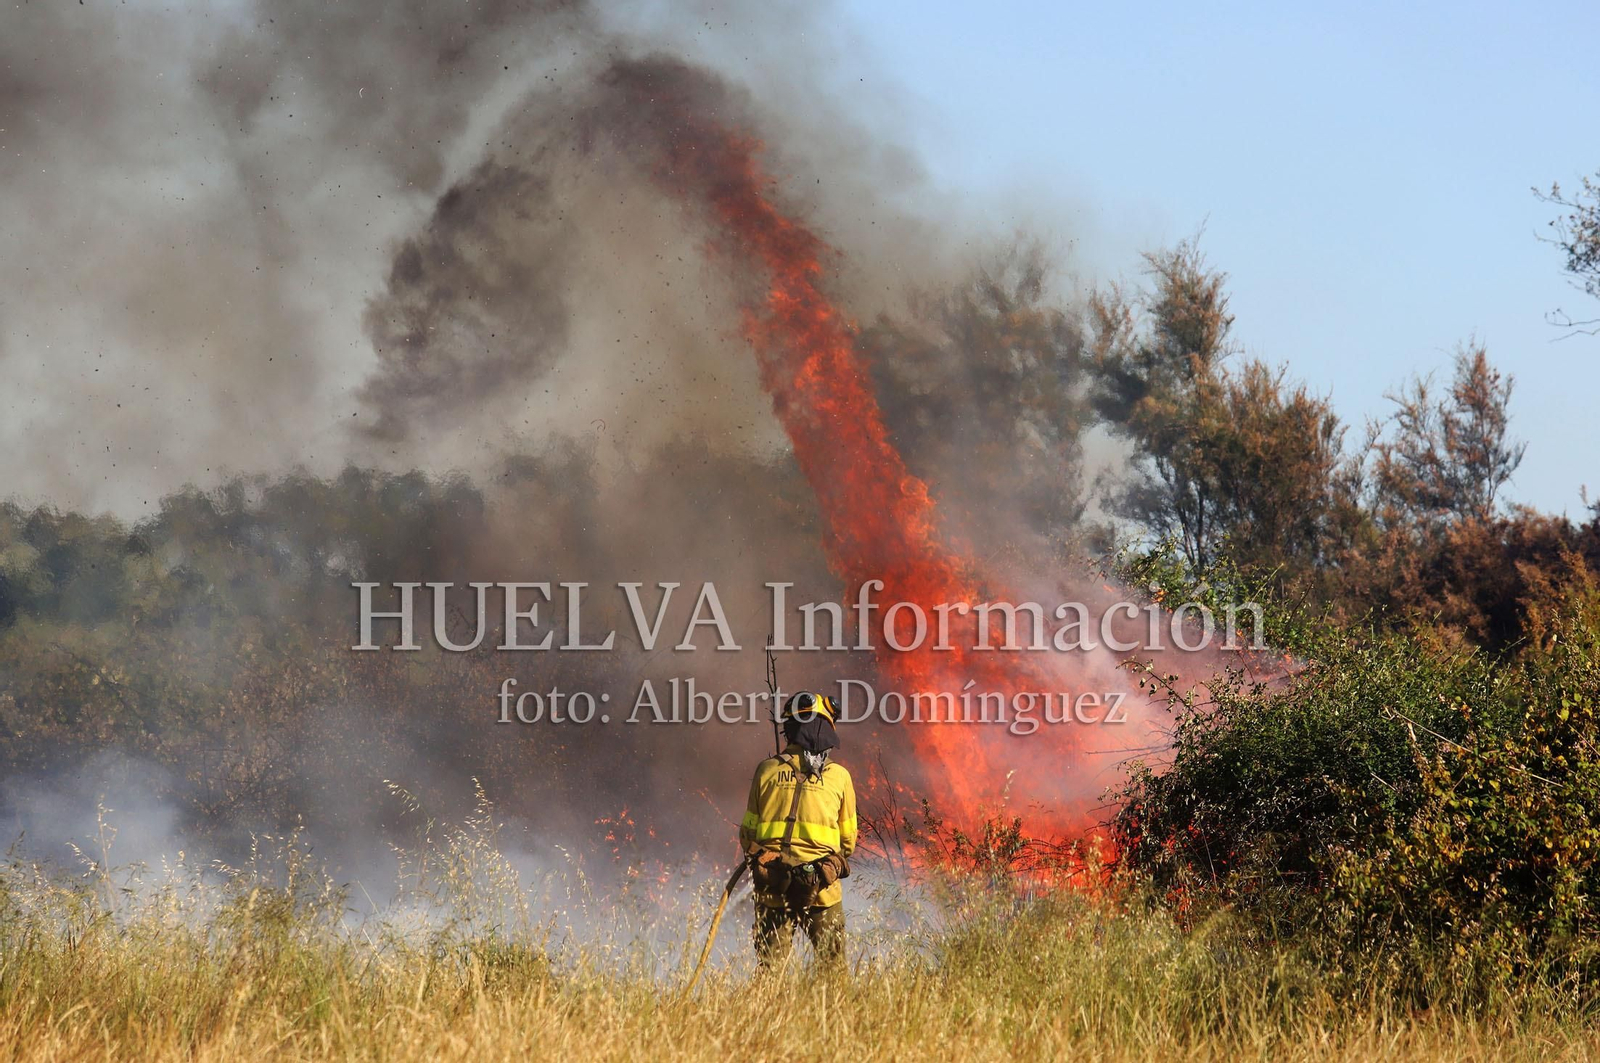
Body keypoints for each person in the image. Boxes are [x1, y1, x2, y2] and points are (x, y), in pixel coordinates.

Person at [738, 690, 857, 971]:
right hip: (822, 889)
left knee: (770, 970)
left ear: (789, 729)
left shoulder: (766, 770)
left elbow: (747, 835)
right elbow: (848, 841)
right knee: (833, 970)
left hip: (773, 887)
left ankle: (768, 1015)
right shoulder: (839, 777)